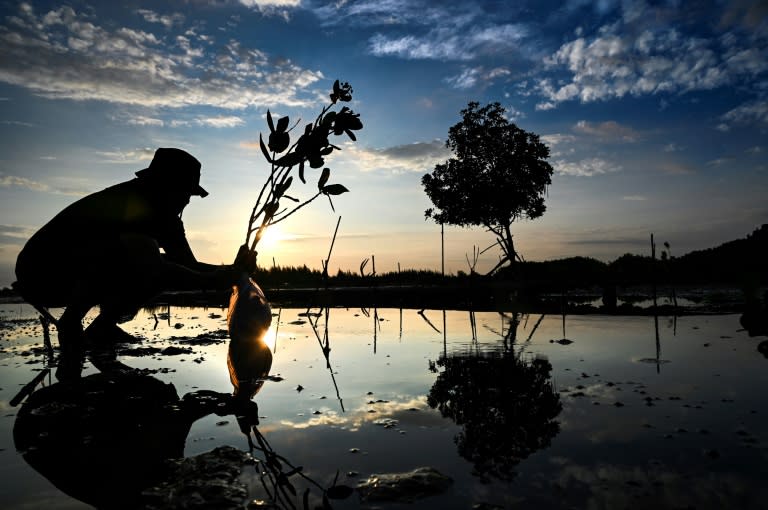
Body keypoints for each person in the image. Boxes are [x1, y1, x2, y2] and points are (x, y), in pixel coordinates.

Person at [14, 148, 254, 353]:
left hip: (80, 271)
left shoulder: (169, 218)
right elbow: (152, 266)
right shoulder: (129, 201)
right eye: (183, 192)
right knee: (147, 259)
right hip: (42, 272)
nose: (187, 200)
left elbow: (186, 265)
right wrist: (211, 279)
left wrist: (231, 271)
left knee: (161, 266)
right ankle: (71, 324)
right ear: (163, 185)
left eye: (189, 194)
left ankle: (102, 328)